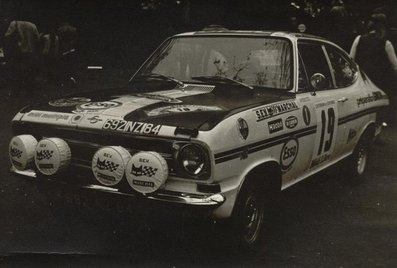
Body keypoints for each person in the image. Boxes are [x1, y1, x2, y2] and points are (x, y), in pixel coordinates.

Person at [350, 13, 397, 125]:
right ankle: (378, 126)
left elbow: (351, 58)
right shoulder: (386, 43)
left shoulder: (359, 39)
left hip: (362, 79)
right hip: (380, 81)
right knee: (378, 107)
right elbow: (395, 64)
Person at [4, 18, 39, 96]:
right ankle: (29, 92)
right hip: (29, 53)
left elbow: (7, 36)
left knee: (16, 72)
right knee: (29, 73)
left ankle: (16, 92)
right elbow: (37, 39)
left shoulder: (14, 23)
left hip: (17, 53)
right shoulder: (32, 25)